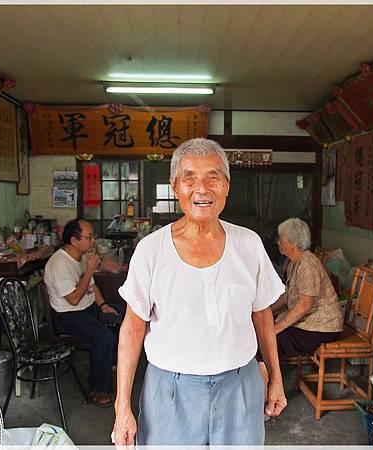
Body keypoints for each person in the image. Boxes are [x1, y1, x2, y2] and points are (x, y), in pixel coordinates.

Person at [113, 138, 287, 447]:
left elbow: (262, 315)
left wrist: (276, 377)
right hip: (170, 390)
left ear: (227, 186)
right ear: (175, 186)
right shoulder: (151, 250)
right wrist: (121, 406)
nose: (201, 188)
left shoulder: (249, 244)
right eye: (189, 177)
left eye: (213, 177)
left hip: (240, 385)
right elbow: (133, 328)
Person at [44, 218, 124, 407]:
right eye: (89, 237)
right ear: (74, 240)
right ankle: (97, 389)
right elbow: (73, 299)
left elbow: (92, 286)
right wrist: (89, 270)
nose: (93, 241)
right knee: (103, 338)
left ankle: (109, 362)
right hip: (67, 315)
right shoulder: (59, 264)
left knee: (125, 315)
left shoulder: (80, 256)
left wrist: (103, 305)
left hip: (87, 308)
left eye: (93, 236)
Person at [270, 218, 343, 360]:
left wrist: (279, 326)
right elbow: (288, 294)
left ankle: (269, 381)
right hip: (309, 323)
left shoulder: (307, 264)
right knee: (267, 331)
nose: (278, 242)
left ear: (294, 243)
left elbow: (305, 304)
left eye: (282, 239)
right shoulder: (294, 262)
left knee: (270, 342)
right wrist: (268, 309)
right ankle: (266, 379)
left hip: (322, 328)